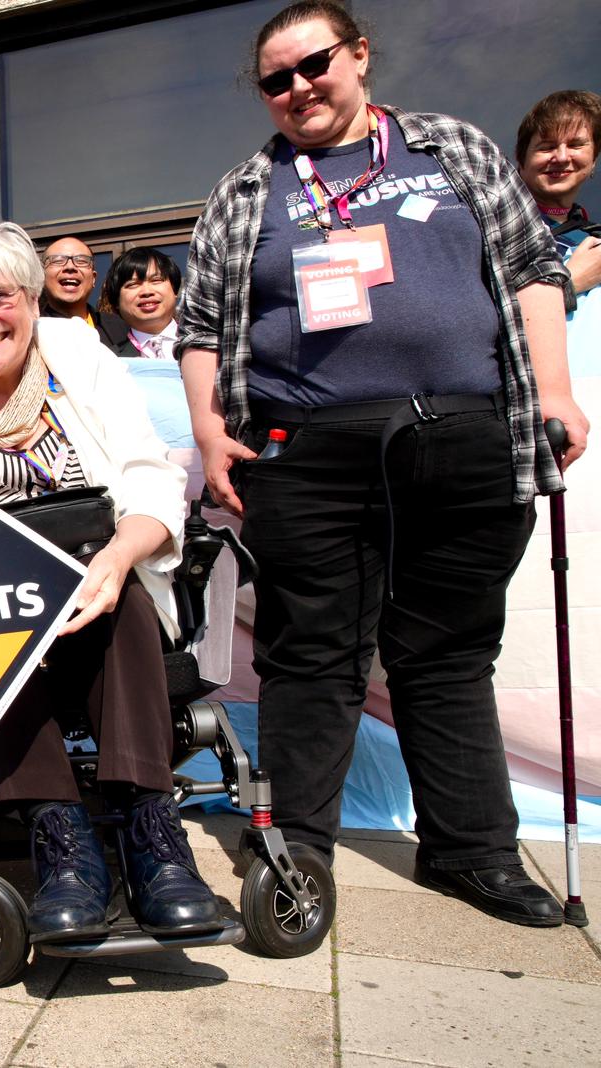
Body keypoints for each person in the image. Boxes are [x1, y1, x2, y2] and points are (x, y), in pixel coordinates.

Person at [178, 0, 589, 927]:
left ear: (358, 55)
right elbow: (201, 325)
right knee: (310, 654)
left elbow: (533, 268)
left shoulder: (451, 148)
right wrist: (210, 433)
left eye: (313, 64)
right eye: (275, 80)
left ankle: (472, 853)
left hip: (463, 436)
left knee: (446, 652)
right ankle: (294, 852)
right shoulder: (248, 189)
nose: (297, 88)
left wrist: (556, 392)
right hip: (308, 451)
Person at [0, 222, 220, 941]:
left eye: (0, 297)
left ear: (32, 299)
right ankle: (65, 846)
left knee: (120, 594)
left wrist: (118, 555)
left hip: (96, 592)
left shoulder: (77, 356)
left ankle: (154, 835)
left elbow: (149, 476)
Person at [516, 91, 600, 303]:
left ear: (594, 160)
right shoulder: (489, 232)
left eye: (575, 145)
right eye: (547, 147)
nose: (561, 157)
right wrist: (572, 283)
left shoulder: (594, 238)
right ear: (521, 160)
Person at [39, 235, 125, 349]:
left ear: (93, 279)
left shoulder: (120, 329)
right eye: (58, 260)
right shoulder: (29, 332)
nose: (70, 267)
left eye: (81, 261)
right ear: (42, 276)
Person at [100, 247, 182, 359]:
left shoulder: (203, 343)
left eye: (156, 280)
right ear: (117, 301)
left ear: (174, 290)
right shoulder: (108, 360)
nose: (147, 292)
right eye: (133, 284)